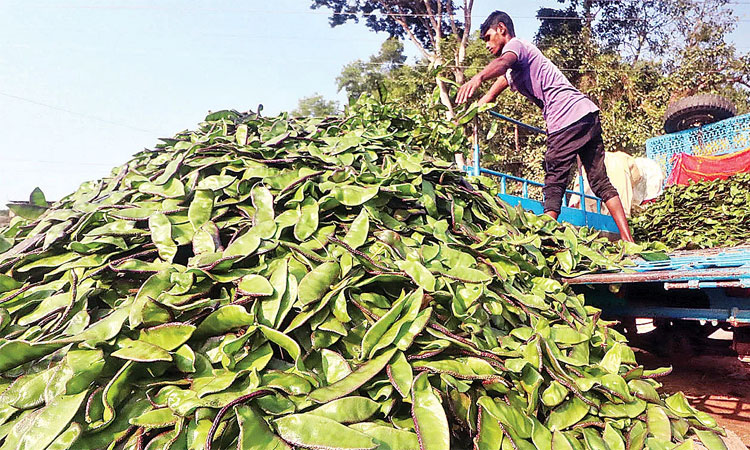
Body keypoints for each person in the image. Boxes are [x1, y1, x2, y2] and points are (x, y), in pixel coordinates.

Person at [456, 11, 634, 242]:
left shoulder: (517, 46)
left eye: (488, 37)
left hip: (566, 118)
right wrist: (474, 108)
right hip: (587, 115)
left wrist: (477, 78)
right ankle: (629, 243)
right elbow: (499, 84)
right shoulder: (516, 67)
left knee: (554, 180)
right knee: (599, 181)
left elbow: (503, 63)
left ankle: (542, 240)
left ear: (501, 29)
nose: (487, 45)